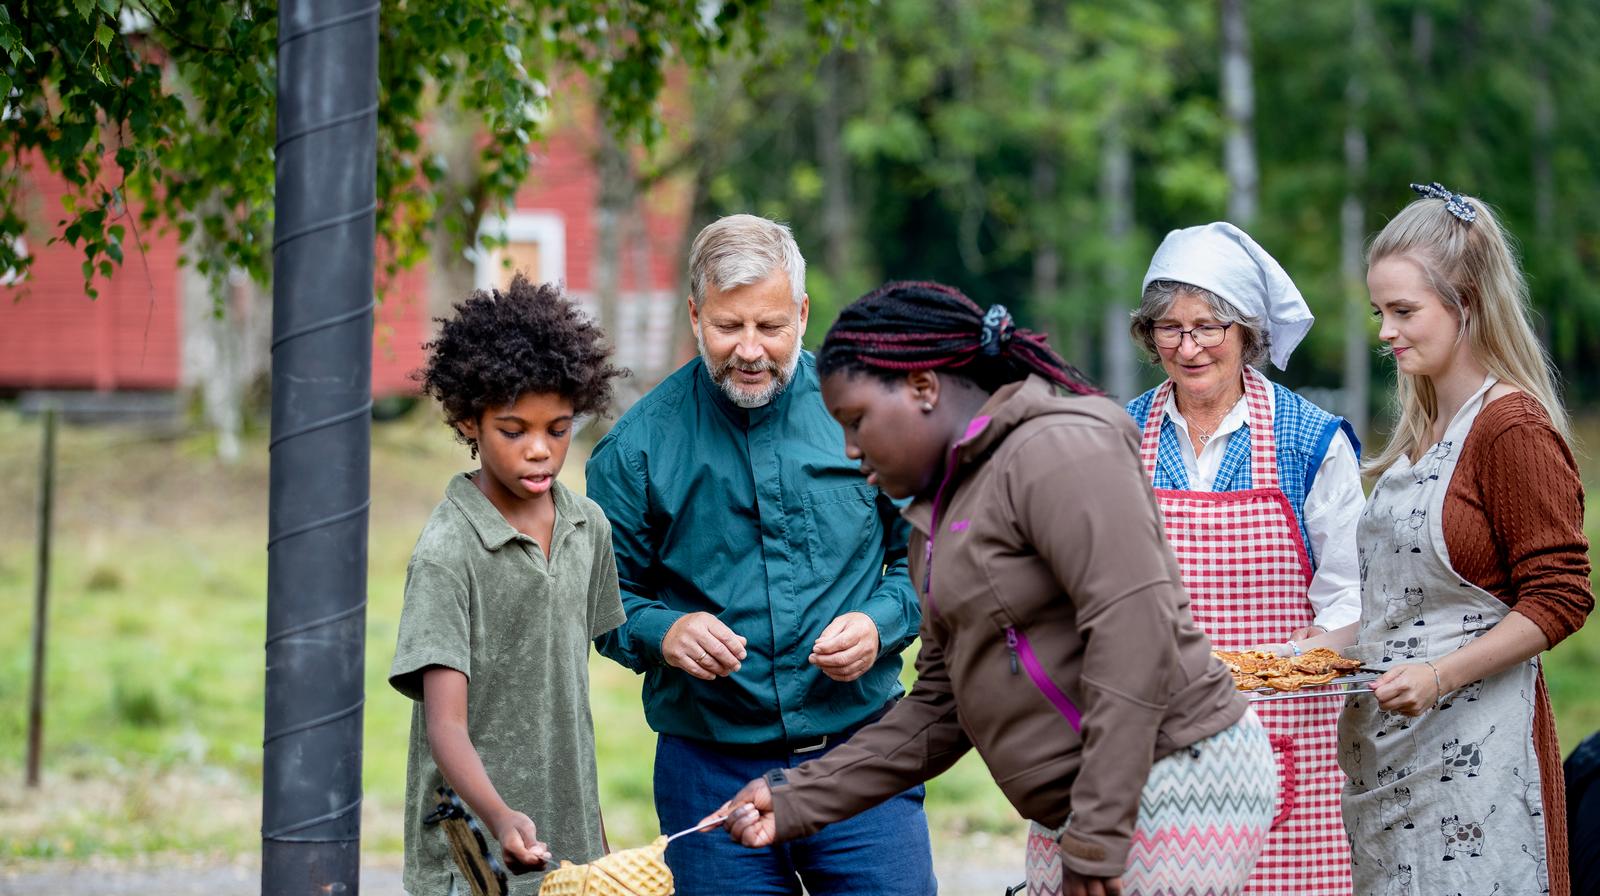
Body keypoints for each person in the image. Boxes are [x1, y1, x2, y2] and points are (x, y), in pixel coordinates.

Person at [711, 281, 1278, 896]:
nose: (851, 450)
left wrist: (1098, 832)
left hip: (1174, 773)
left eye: (857, 421)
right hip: (1083, 804)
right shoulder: (933, 524)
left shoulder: (1057, 448)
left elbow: (1134, 636)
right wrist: (796, 799)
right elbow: (941, 708)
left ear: (923, 388)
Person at [586, 215, 933, 896]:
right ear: (693, 315)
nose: (749, 350)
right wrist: (665, 631)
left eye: (770, 327)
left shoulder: (869, 415)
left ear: (803, 314)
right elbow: (600, 602)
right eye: (728, 326)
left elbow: (930, 561)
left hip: (862, 757)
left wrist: (881, 623)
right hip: (707, 772)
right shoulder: (634, 450)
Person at [1291, 182, 1592, 894]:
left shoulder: (1510, 429)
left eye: (1404, 311)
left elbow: (1562, 597)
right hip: (1390, 761)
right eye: (1379, 312)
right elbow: (1408, 605)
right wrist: (1317, 653)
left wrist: (1438, 677)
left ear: (1468, 304)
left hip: (1479, 770)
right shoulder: (1419, 438)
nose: (1385, 331)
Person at [1124, 222, 1363, 896]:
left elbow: (1351, 598)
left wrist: (1291, 661)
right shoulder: (1117, 434)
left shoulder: (1310, 442)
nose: (1189, 346)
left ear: (1248, 332)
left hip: (1283, 739)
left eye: (1209, 326)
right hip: (1149, 735)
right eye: (1168, 328)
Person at [389, 275, 628, 896]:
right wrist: (500, 820)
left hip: (566, 849)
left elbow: (568, 701)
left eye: (558, 428)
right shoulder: (448, 553)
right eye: (513, 430)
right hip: (476, 854)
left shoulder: (587, 527)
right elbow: (445, 727)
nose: (540, 451)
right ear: (468, 419)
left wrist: (594, 834)